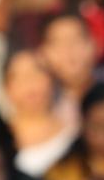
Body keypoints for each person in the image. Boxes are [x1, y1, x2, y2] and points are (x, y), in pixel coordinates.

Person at [4, 49, 74, 177]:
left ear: (51, 80)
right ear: (7, 88)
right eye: (19, 77)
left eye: (36, 73)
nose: (30, 83)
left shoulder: (74, 134)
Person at [38, 12, 98, 146]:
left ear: (93, 45)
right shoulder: (39, 103)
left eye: (76, 40)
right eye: (58, 43)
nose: (68, 50)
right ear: (43, 53)